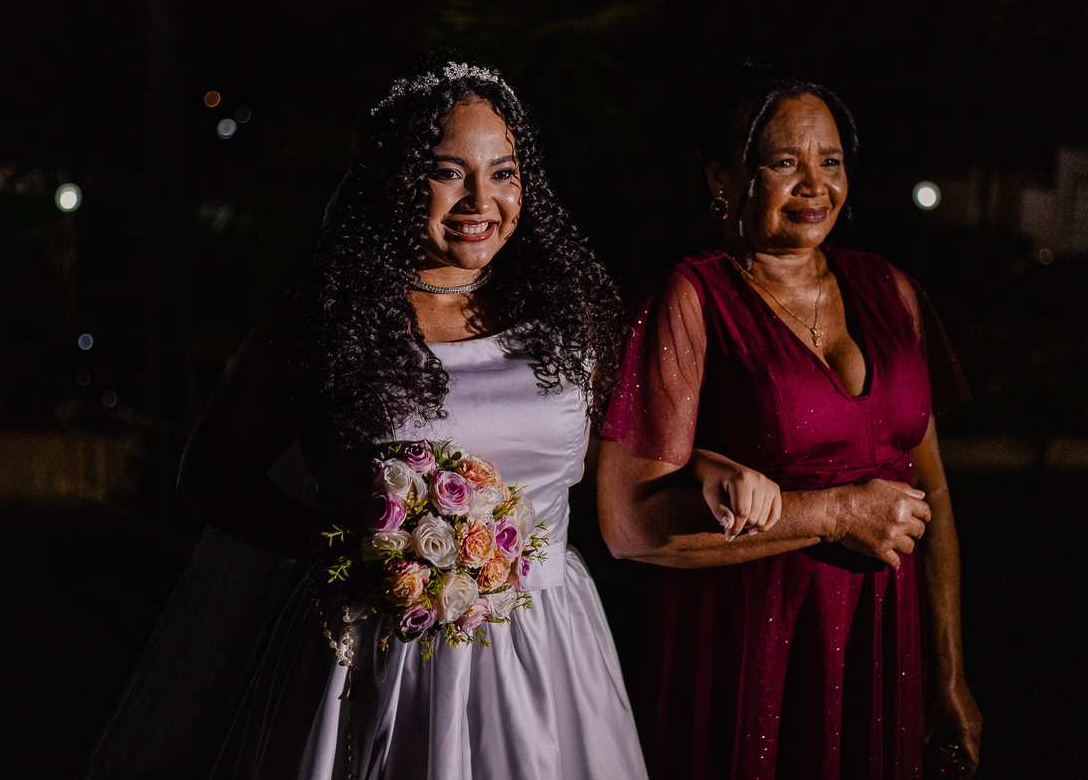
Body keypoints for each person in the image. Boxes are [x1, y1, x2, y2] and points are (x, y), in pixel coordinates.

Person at [80, 60, 647, 779]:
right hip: (381, 657)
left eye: (504, 173)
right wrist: (356, 544)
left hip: (547, 649)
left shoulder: (568, 319)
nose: (482, 200)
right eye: (449, 172)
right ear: (397, 179)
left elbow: (614, 461)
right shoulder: (329, 322)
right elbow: (209, 477)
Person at [597, 68, 982, 779]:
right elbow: (628, 525)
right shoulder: (694, 298)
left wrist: (948, 673)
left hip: (880, 639)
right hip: (750, 644)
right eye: (783, 163)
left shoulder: (891, 290)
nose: (814, 186)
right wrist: (833, 512)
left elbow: (937, 497)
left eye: (830, 163)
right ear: (722, 178)